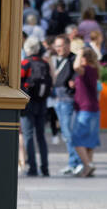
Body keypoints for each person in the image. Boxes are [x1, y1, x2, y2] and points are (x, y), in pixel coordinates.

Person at [50, 34, 83, 175]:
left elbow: (78, 74)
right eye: (56, 46)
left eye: (60, 46)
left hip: (68, 99)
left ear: (68, 46)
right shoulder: (56, 59)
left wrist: (73, 81)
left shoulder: (74, 59)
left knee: (69, 132)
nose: (58, 49)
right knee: (65, 132)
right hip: (57, 99)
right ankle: (72, 162)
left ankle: (78, 162)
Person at [20, 35, 52, 177]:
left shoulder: (25, 62)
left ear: (27, 48)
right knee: (41, 136)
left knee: (28, 136)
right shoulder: (44, 63)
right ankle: (45, 168)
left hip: (28, 103)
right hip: (42, 102)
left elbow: (19, 81)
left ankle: (32, 168)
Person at [71, 45, 101, 177]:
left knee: (76, 139)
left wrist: (80, 52)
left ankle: (88, 165)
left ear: (85, 58)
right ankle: (88, 167)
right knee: (89, 140)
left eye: (80, 57)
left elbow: (76, 67)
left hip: (85, 109)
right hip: (93, 108)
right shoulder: (94, 69)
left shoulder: (87, 69)